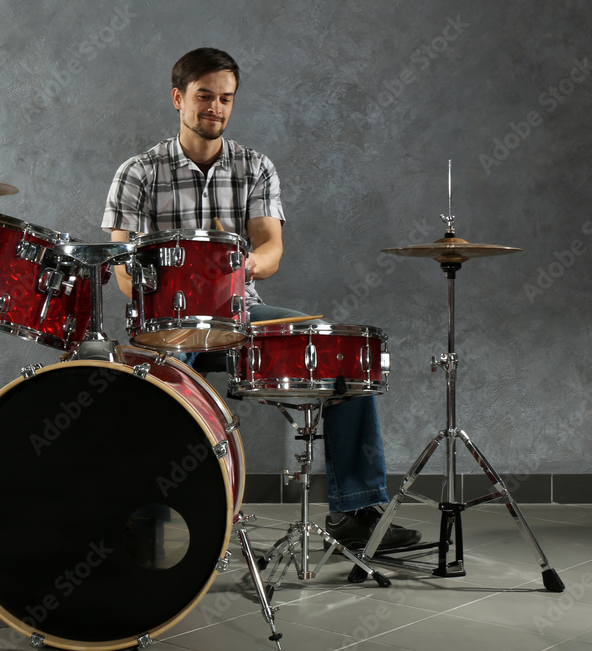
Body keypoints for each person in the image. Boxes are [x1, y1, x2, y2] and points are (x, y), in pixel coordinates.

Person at [101, 47, 419, 551]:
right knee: (152, 404)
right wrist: (163, 296)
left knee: (339, 353)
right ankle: (144, 517)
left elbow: (271, 248)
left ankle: (358, 512)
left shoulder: (255, 167)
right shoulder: (138, 172)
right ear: (178, 98)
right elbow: (121, 268)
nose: (215, 107)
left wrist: (247, 264)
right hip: (167, 322)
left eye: (225, 98)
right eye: (204, 96)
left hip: (241, 313)